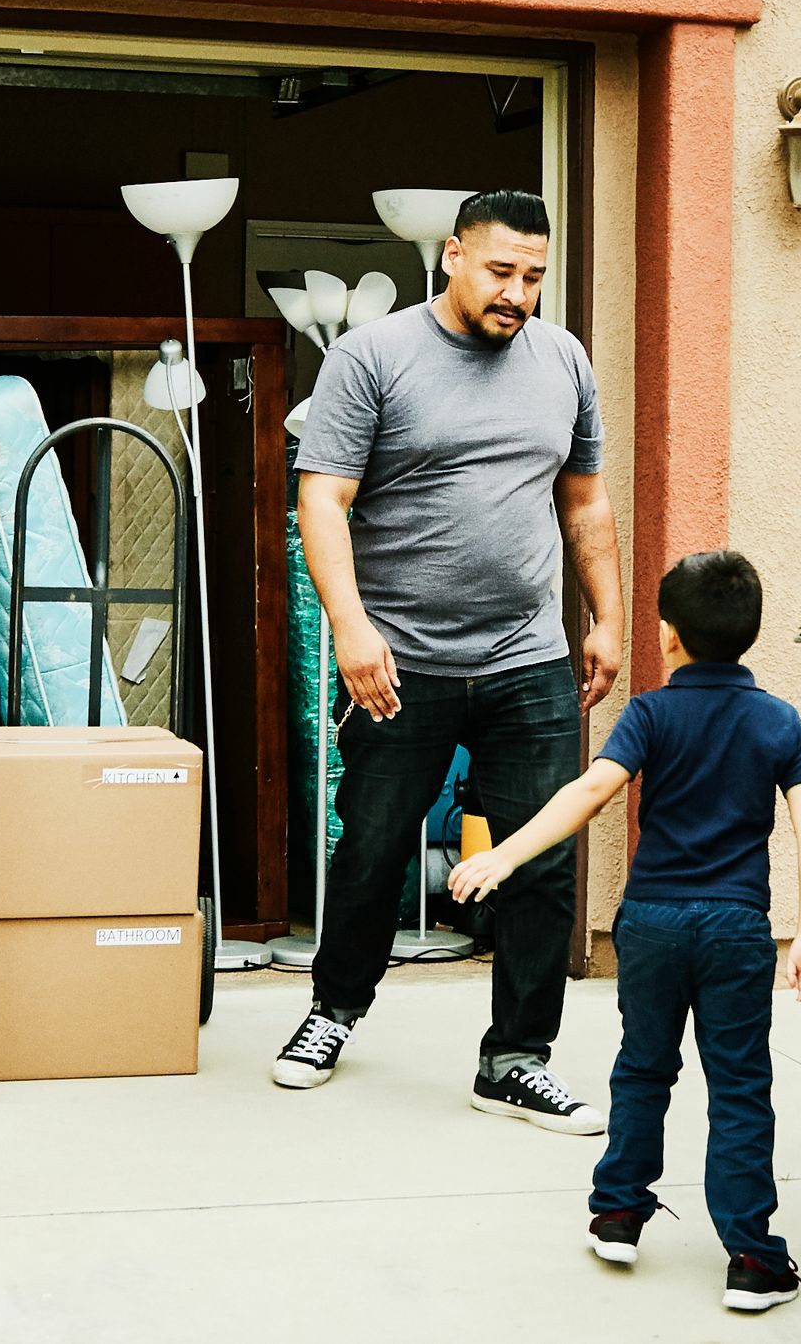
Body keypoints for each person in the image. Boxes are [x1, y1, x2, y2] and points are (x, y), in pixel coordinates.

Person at [278, 188, 624, 1133]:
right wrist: (350, 626)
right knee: (375, 851)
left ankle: (517, 1058)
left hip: (526, 656)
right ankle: (332, 1010)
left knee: (542, 860)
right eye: (503, 272)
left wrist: (606, 618)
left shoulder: (564, 361)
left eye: (535, 278)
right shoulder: (373, 357)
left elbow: (585, 502)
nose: (519, 294)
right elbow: (323, 501)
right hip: (402, 660)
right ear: (453, 258)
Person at [449, 548, 801, 1315]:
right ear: (750, 633)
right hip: (734, 928)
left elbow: (590, 791)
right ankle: (754, 1261)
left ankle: (619, 1212)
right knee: (740, 1088)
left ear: (666, 635)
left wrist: (504, 853)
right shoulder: (779, 722)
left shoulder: (652, 713)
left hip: (652, 923)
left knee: (643, 1070)